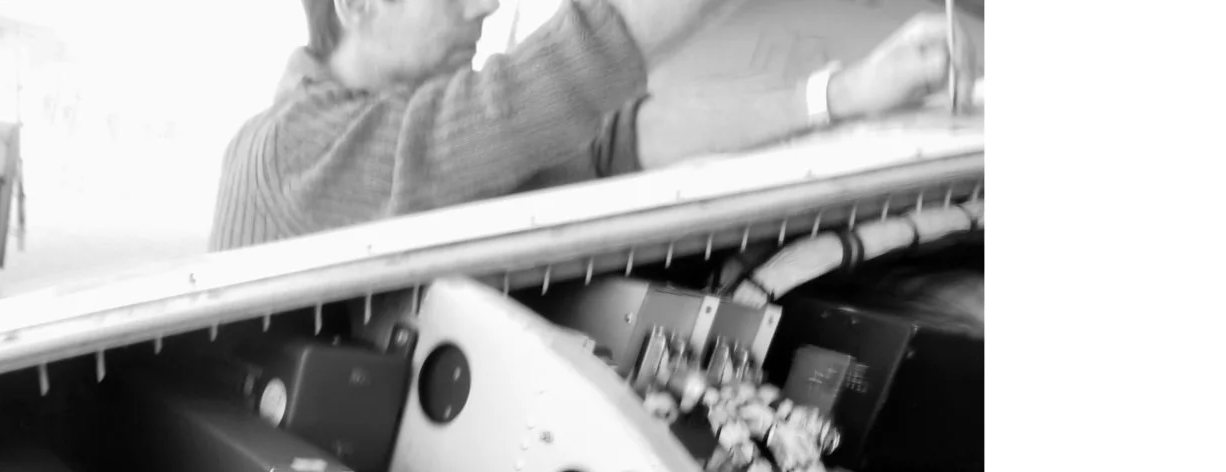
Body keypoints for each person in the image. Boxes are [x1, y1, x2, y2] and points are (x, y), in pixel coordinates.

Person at [210, 0, 977, 251]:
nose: (484, 7)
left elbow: (621, 144)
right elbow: (536, 90)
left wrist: (841, 95)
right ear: (356, 5)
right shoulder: (287, 152)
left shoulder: (419, 148)